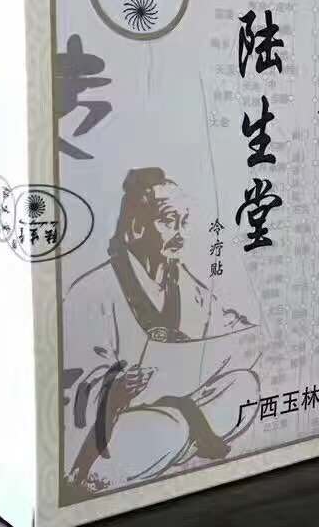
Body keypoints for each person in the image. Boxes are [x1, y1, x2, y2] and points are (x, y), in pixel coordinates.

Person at [62, 167, 259, 495]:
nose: (180, 233)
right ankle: (112, 470)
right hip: (119, 423)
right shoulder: (93, 291)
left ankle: (180, 442)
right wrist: (116, 388)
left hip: (172, 406)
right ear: (136, 226)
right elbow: (73, 388)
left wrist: (244, 336)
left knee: (244, 386)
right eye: (169, 221)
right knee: (167, 429)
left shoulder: (181, 282)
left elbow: (222, 322)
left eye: (184, 222)